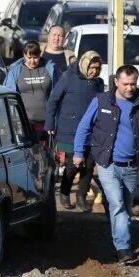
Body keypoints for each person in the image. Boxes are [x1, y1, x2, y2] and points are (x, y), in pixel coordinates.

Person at [74, 65, 139, 264]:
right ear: (116, 82)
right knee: (117, 205)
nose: (129, 88)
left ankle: (121, 237)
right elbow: (84, 126)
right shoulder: (101, 101)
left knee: (126, 206)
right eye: (125, 84)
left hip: (132, 165)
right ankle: (123, 248)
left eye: (133, 84)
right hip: (108, 163)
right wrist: (78, 152)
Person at [46, 50, 104, 211]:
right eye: (91, 67)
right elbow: (53, 100)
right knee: (73, 163)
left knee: (89, 164)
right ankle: (64, 192)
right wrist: (50, 123)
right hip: (69, 129)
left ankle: (81, 196)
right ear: (85, 65)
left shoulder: (98, 83)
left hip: (92, 132)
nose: (94, 71)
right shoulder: (68, 77)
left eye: (97, 68)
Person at [3, 40, 58, 137]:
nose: (32, 61)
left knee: (44, 151)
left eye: (35, 57)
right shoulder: (15, 71)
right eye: (29, 57)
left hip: (46, 122)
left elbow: (57, 94)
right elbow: (8, 96)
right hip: (23, 122)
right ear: (24, 55)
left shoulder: (49, 68)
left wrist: (54, 119)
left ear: (40, 55)